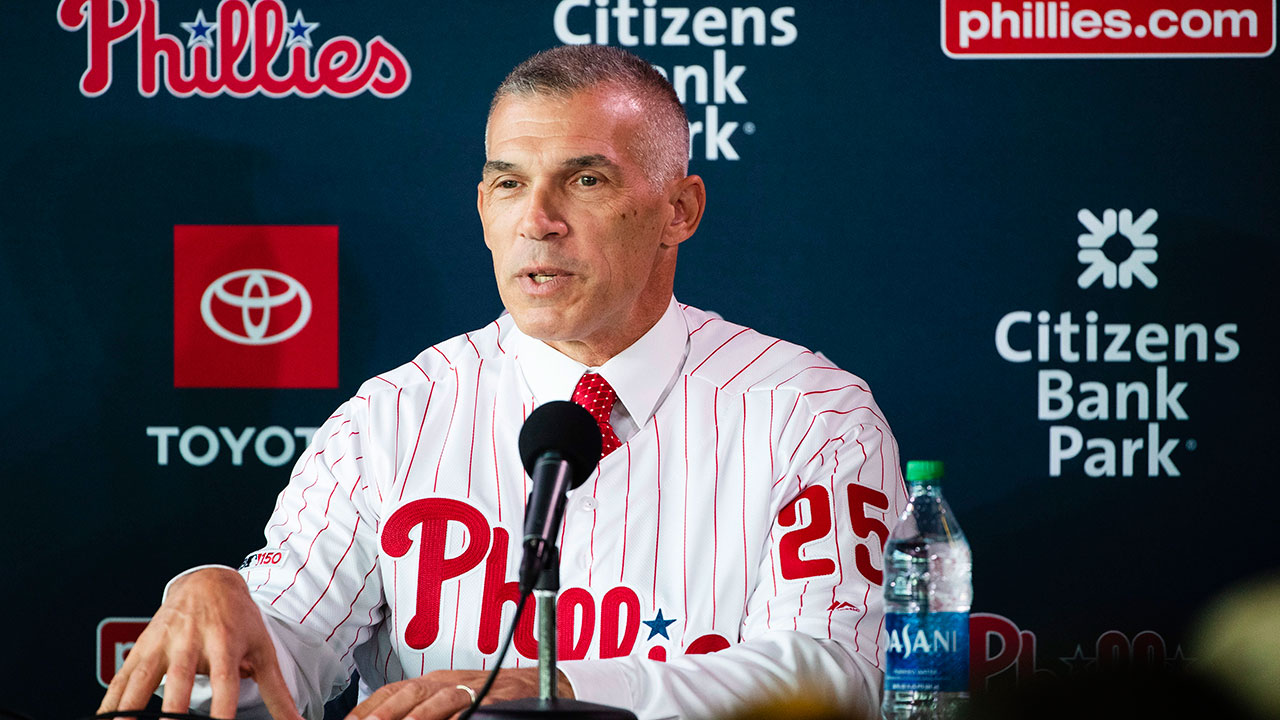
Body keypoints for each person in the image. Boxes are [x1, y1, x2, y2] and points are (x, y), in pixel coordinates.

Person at [99, 45, 906, 720]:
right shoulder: (394, 417)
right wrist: (219, 601)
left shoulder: (811, 413)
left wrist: (556, 692)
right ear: (484, 206)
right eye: (510, 183)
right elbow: (287, 651)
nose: (538, 219)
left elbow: (831, 678)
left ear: (679, 210)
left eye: (586, 181)